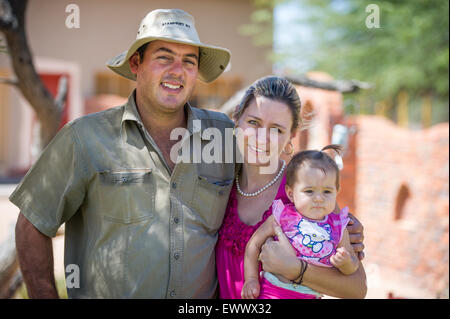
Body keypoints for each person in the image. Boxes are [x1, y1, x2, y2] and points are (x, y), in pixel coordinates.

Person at [11, 9, 364, 298]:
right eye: (164, 57)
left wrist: (332, 222)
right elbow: (32, 223)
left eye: (188, 61)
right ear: (136, 63)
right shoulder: (84, 138)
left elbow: (279, 168)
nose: (177, 71)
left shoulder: (225, 137)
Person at [216, 76, 367, 299]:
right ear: (237, 118)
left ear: (292, 134)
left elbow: (357, 289)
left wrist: (297, 270)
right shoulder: (217, 182)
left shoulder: (305, 194)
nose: (261, 138)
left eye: (276, 129)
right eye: (254, 123)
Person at [242, 145, 361, 299]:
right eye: (309, 191)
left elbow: (352, 265)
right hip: (273, 291)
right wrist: (250, 279)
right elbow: (253, 245)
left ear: (336, 192)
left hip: (310, 294)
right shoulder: (283, 216)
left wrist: (346, 263)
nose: (319, 198)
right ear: (291, 194)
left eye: (327, 191)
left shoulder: (338, 227)